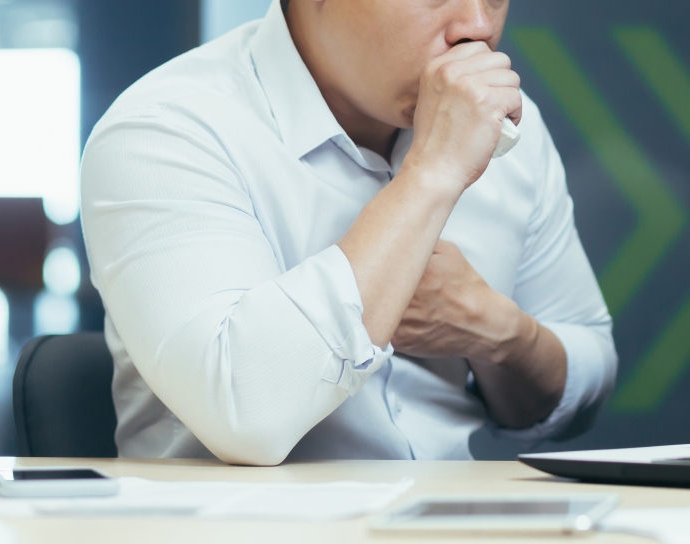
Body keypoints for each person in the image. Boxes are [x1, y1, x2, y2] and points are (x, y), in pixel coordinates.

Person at [80, 0, 617, 465]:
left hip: (460, 527)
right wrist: (433, 172)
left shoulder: (507, 127)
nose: (477, 26)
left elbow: (588, 380)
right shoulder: (164, 129)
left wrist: (501, 334)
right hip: (241, 533)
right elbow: (245, 416)